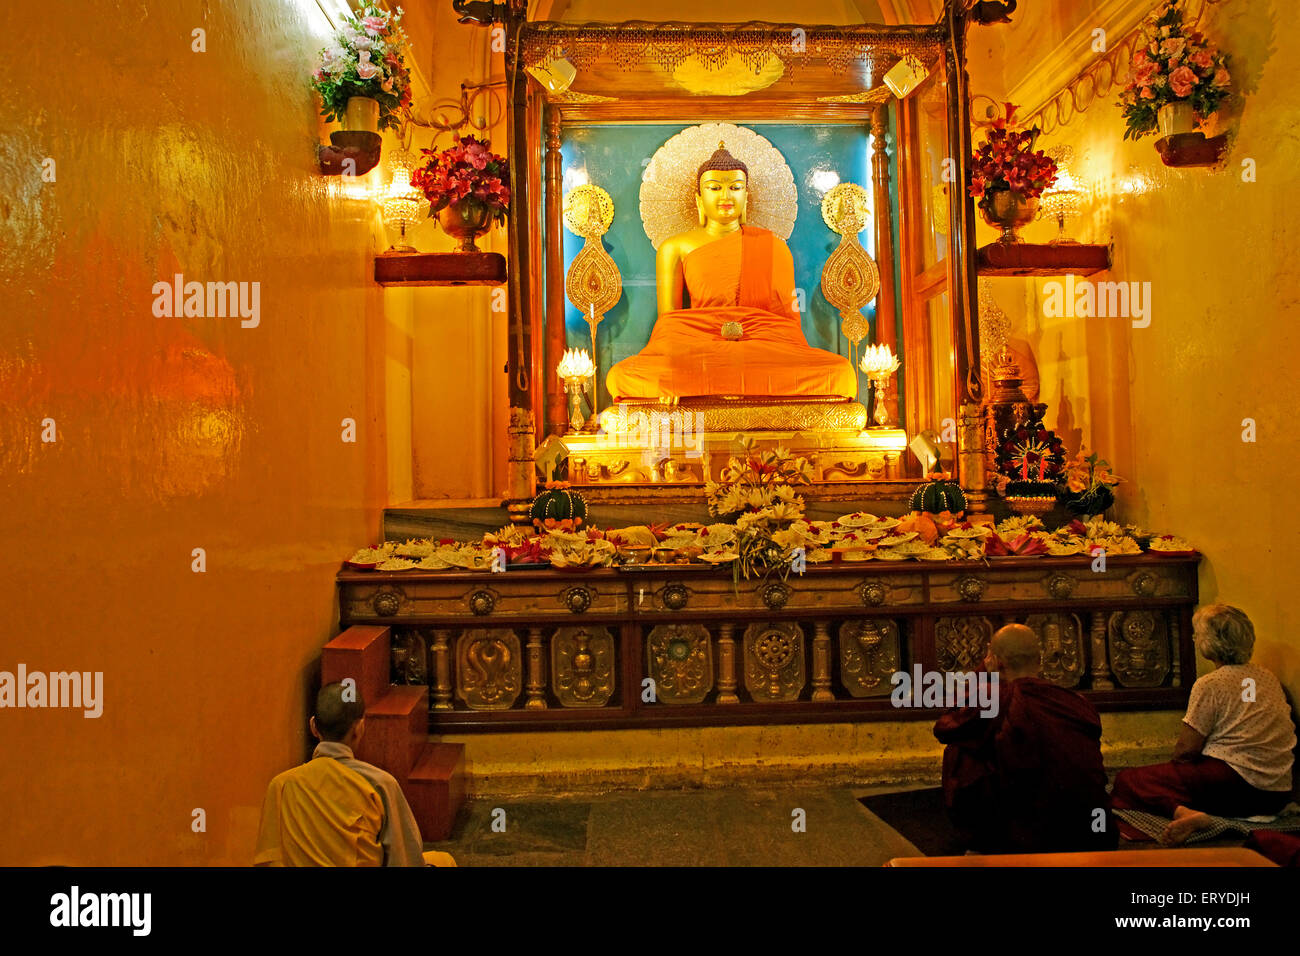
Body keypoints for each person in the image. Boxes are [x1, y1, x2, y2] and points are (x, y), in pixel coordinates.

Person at [605, 143, 857, 402]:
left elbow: (787, 328)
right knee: (622, 375)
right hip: (698, 353)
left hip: (763, 353)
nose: (725, 196)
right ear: (698, 198)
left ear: (746, 197)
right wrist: (670, 370)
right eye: (714, 188)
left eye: (735, 188)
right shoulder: (674, 247)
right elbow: (670, 327)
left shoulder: (774, 247)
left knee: (840, 371)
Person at [1111, 604, 1296, 845]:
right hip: (1277, 794)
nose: (1194, 638)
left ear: (1211, 643)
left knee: (1128, 781)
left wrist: (1176, 773)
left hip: (1234, 786)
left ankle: (1186, 813)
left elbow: (1186, 750)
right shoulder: (1266, 676)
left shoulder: (1210, 683)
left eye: (1198, 634)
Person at [934, 623, 1116, 854]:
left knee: (960, 748)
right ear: (1040, 661)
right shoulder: (1076, 701)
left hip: (1029, 837)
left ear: (996, 662)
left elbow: (946, 727)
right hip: (1091, 830)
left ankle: (985, 840)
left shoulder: (994, 699)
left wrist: (982, 673)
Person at [255, 682, 452, 866]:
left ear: (313, 726)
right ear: (359, 729)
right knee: (443, 860)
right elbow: (404, 858)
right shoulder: (379, 784)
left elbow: (268, 859)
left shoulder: (281, 785)